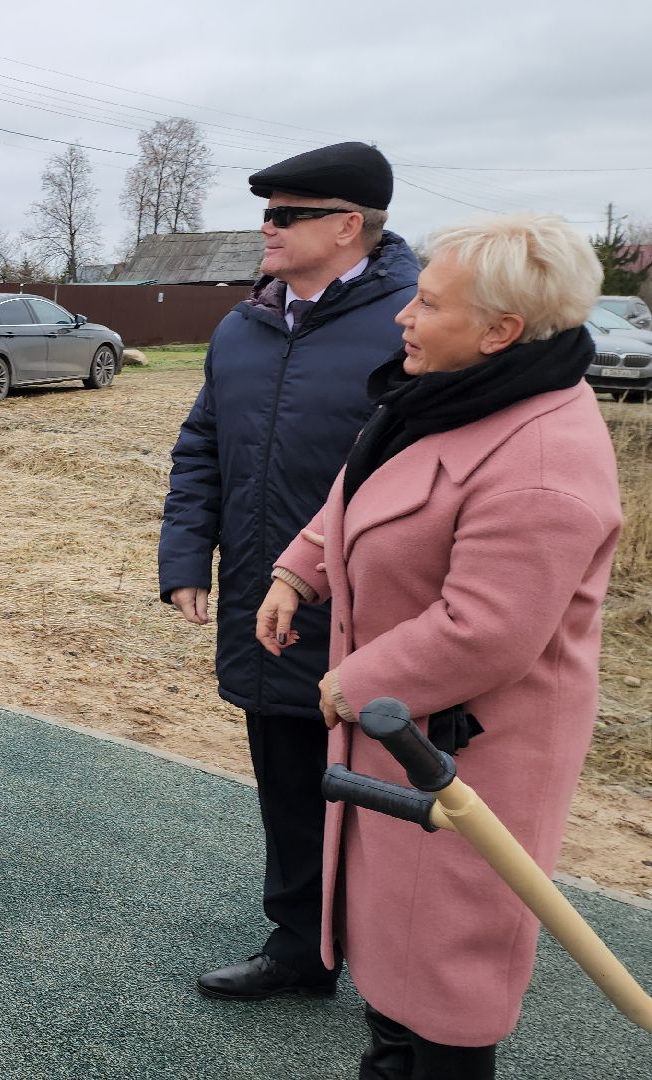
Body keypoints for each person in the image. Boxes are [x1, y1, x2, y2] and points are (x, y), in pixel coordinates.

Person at [260, 213, 619, 1078]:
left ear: (500, 330)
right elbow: (366, 493)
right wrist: (299, 570)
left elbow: (486, 628)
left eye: (427, 303)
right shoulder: (450, 396)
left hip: (472, 753)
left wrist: (351, 681)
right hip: (406, 733)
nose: (403, 316)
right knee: (395, 937)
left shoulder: (544, 459)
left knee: (448, 962)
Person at [157, 142, 421, 1001]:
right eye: (265, 213)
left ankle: (402, 964)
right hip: (261, 599)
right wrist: (186, 556)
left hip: (376, 611)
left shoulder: (416, 323)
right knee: (286, 776)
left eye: (285, 215)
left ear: (347, 226)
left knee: (384, 789)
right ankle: (302, 944)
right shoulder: (243, 326)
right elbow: (202, 444)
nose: (265, 228)